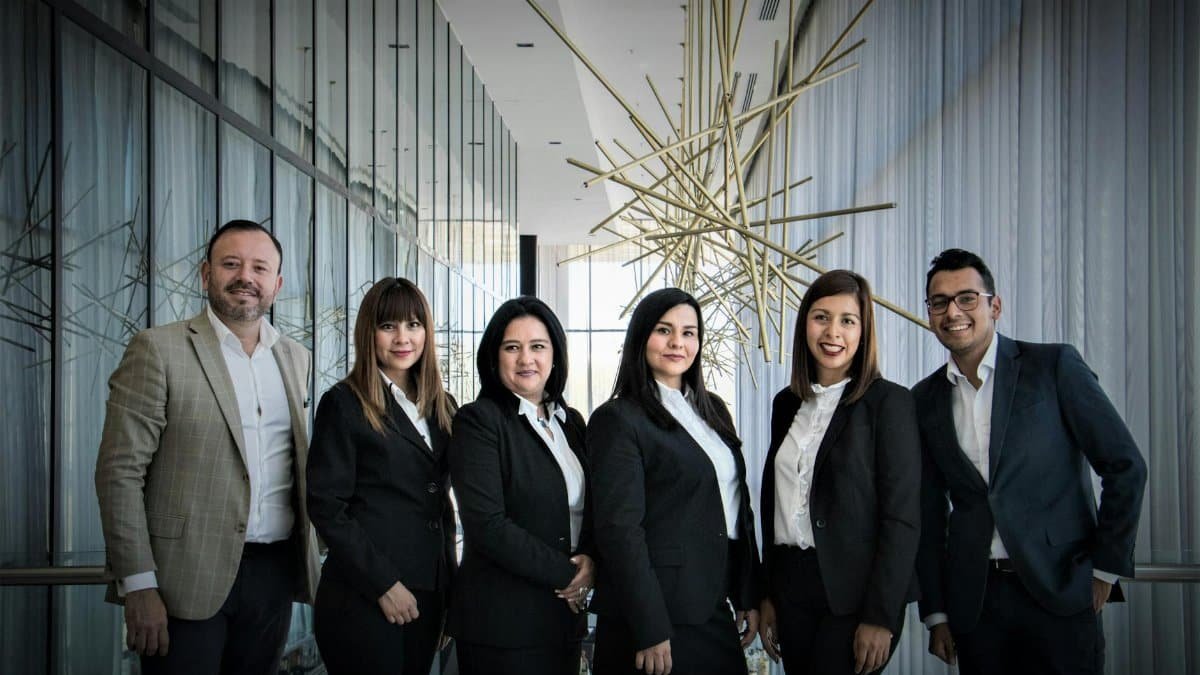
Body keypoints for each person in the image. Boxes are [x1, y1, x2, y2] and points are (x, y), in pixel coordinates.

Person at [94, 219, 320, 675]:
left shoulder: (296, 358)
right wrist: (138, 585)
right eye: (231, 264)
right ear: (205, 274)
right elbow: (119, 472)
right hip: (182, 578)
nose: (245, 278)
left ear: (276, 284)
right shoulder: (158, 349)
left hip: (273, 574)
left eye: (260, 268)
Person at [913, 248, 1147, 675]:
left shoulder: (1053, 366)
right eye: (939, 302)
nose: (953, 312)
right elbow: (928, 513)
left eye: (967, 298)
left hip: (1061, 592)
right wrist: (937, 613)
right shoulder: (923, 399)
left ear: (994, 305)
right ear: (929, 313)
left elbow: (1125, 465)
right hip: (976, 605)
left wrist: (1105, 570)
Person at [588, 287, 761, 675]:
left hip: (713, 601)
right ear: (641, 337)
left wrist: (747, 590)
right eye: (664, 330)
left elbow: (736, 505)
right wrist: (648, 625)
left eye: (689, 332)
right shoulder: (618, 419)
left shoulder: (712, 409)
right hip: (657, 613)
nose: (677, 343)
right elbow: (619, 529)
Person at [756, 270, 920, 675]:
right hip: (792, 588)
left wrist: (881, 616)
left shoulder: (890, 403)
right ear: (804, 325)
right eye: (821, 317)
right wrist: (768, 594)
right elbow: (778, 502)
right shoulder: (785, 404)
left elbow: (902, 518)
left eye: (848, 320)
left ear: (863, 332)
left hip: (855, 597)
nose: (833, 332)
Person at [306, 277, 458, 674]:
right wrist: (384, 585)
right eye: (388, 326)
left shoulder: (443, 406)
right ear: (369, 333)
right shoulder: (344, 403)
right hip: (366, 596)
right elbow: (327, 507)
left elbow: (442, 506)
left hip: (429, 594)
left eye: (413, 324)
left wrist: (449, 594)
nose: (402, 338)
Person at [447, 296, 594, 675]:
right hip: (502, 626)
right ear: (494, 357)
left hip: (563, 620)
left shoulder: (571, 422)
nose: (526, 359)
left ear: (555, 355)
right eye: (512, 347)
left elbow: (593, 507)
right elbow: (487, 525)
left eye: (537, 346)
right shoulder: (478, 421)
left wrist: (592, 562)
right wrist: (569, 574)